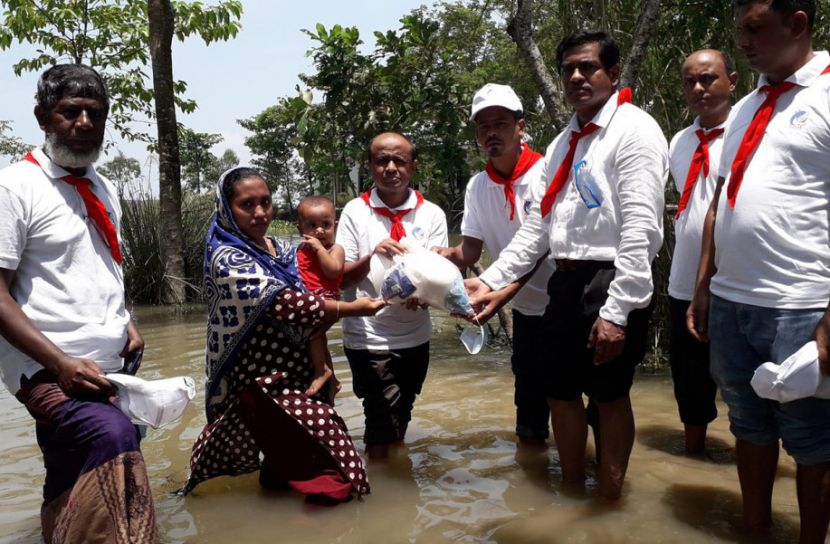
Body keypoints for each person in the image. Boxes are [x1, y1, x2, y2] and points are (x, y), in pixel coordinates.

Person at [465, 30, 668, 500]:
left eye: (588, 67)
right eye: (568, 70)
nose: (576, 76)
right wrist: (490, 280)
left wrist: (617, 312)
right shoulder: (563, 144)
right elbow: (537, 230)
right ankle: (573, 489)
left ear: (613, 74)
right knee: (558, 391)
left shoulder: (634, 130)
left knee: (609, 395)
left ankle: (610, 497)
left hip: (610, 278)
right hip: (566, 281)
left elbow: (642, 229)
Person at [687, 1, 830, 540]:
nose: (743, 43)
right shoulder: (746, 105)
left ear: (797, 24)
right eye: (739, 30)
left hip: (802, 304)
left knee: (814, 440)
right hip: (731, 303)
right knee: (748, 426)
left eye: (755, 30)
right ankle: (755, 532)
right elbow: (721, 198)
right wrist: (704, 287)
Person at [0, 64, 158, 543]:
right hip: (47, 368)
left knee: (68, 470)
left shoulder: (104, 187)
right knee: (112, 438)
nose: (85, 122)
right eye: (71, 111)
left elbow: (103, 265)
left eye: (96, 113)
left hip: (111, 364)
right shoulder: (15, 187)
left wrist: (126, 318)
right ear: (44, 117)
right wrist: (62, 362)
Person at [183, 167, 385, 503]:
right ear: (226, 208)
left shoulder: (279, 247)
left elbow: (323, 282)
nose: (261, 213)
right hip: (264, 384)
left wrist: (374, 259)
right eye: (248, 205)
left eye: (266, 202)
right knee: (339, 477)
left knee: (284, 472)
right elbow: (290, 303)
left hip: (300, 374)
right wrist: (354, 309)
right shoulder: (227, 258)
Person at [433, 83, 555, 446]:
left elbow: (549, 244)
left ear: (521, 126)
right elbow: (469, 252)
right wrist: (429, 261)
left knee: (577, 397)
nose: (491, 133)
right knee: (530, 408)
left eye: (500, 123)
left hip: (566, 302)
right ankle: (532, 484)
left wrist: (500, 290)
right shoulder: (477, 186)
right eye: (483, 126)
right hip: (527, 310)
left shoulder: (548, 171)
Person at [336, 131, 448, 460]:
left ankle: (393, 492)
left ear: (413, 166)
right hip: (368, 336)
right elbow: (342, 280)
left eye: (398, 160)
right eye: (381, 160)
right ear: (369, 166)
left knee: (401, 414)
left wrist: (426, 295)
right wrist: (373, 254)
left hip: (416, 335)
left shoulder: (433, 215)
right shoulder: (356, 212)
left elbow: (438, 277)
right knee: (379, 418)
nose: (390, 167)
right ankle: (381, 494)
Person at [667, 49, 737, 454]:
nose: (698, 88)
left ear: (732, 80)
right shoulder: (680, 140)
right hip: (682, 282)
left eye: (708, 78)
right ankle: (694, 455)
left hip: (733, 282)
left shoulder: (748, 133)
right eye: (690, 81)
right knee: (690, 381)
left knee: (747, 385)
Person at [296, 195, 345, 403]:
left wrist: (318, 249)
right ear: (300, 229)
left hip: (326, 299)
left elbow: (333, 272)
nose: (319, 231)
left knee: (312, 335)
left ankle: (321, 371)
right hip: (309, 300)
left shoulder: (335, 249)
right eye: (312, 226)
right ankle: (332, 380)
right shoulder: (299, 250)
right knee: (320, 338)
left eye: (326, 225)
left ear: (335, 225)